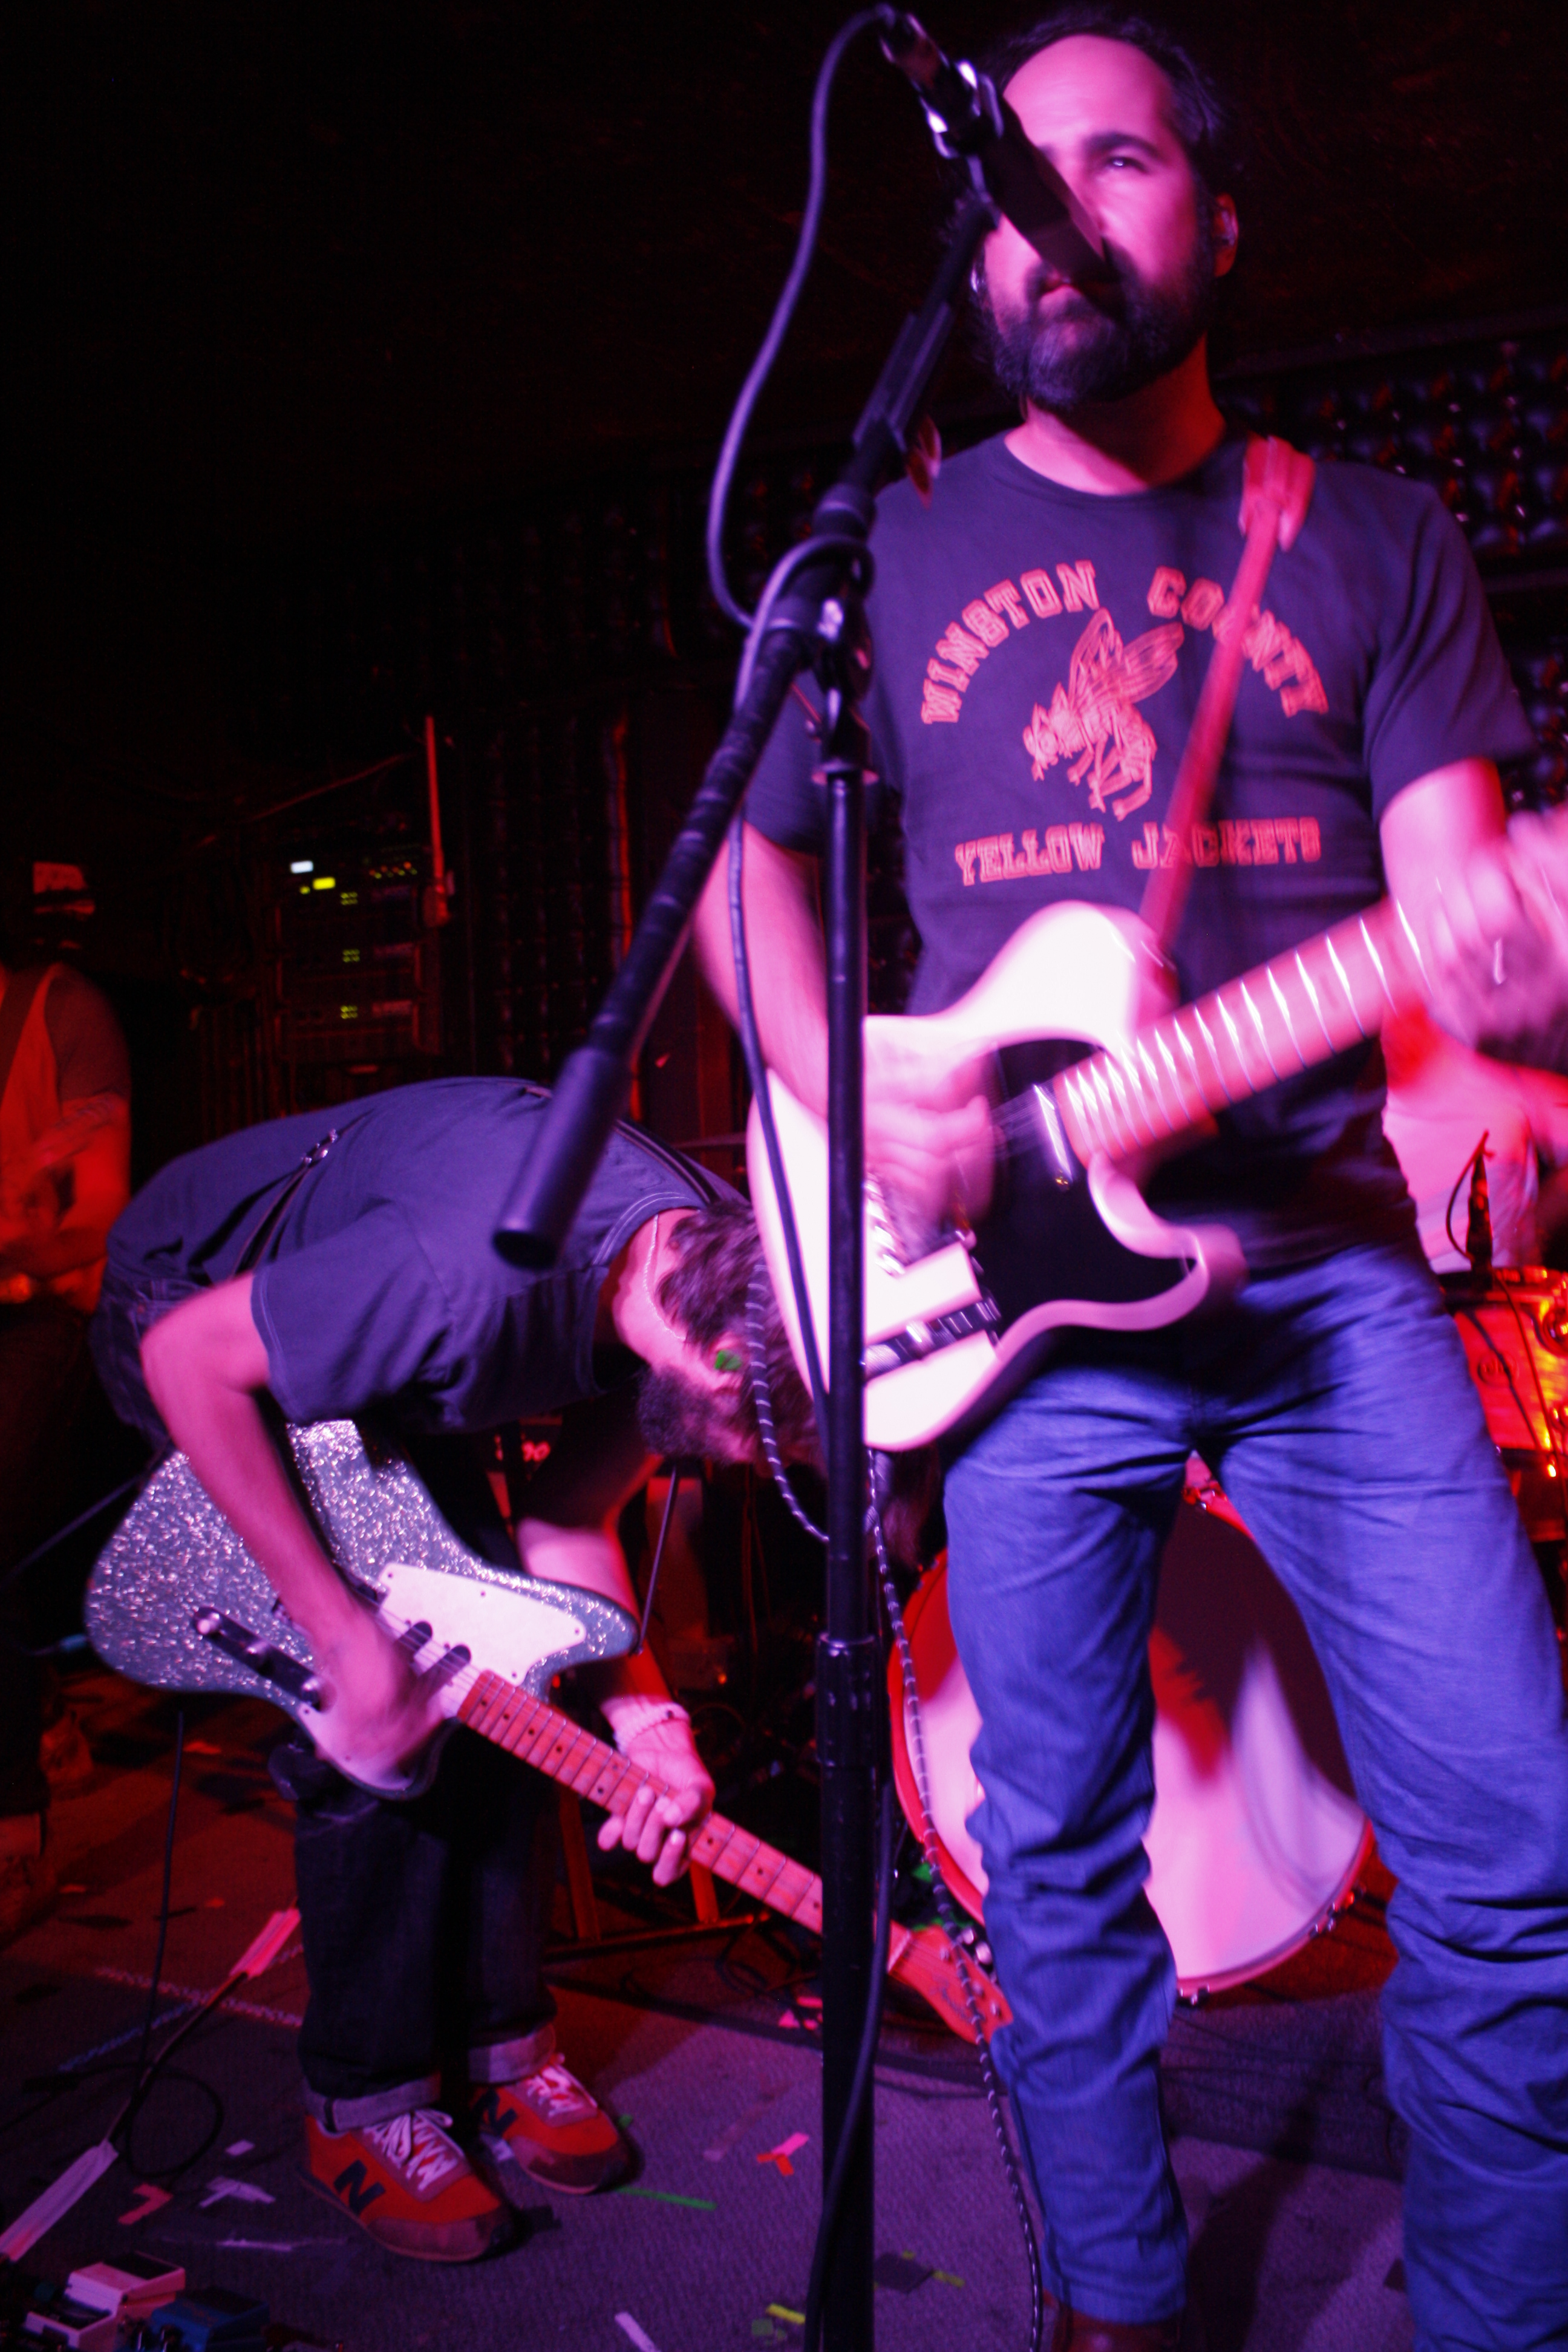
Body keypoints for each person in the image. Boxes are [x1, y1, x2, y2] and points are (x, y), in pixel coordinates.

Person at [696, 12, 1568, 2347]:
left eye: (1117, 160)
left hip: (1320, 1274)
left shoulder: (1369, 535)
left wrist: (1503, 992)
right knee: (1052, 1855)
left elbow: (1462, 920)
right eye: (1014, 172)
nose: (1055, 211)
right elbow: (739, 882)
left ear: (1217, 218)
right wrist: (843, 1077)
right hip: (1011, 1292)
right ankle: (1111, 2299)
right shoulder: (877, 552)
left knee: (1512, 1845)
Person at [91, 1077, 811, 2262]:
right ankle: (364, 2102)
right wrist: (337, 1632)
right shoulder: (460, 1279)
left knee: (510, 1670)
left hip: (376, 1345)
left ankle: (501, 2045)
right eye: (767, 1443)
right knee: (377, 1717)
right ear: (726, 1363)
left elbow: (564, 1522)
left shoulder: (701, 1272)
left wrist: (647, 1721)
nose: (754, 1469)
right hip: (192, 1313)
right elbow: (185, 1358)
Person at [0, 947, 131, 1942]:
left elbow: (99, 1217)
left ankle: (14, 1838)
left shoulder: (61, 1010)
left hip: (50, 1309)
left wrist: (22, 1240)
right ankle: (42, 1713)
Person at [1382, 1004, 1568, 1273]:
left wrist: (1538, 1222)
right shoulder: (1346, 1111)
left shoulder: (1492, 1075)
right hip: (1392, 1294)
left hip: (1502, 1292)